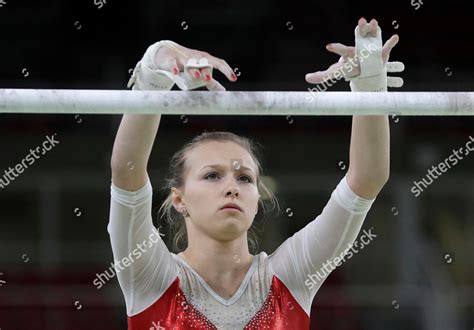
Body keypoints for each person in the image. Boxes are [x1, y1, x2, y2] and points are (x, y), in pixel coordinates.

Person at [109, 17, 400, 329]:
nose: (232, 187)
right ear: (178, 198)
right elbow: (127, 172)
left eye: (244, 178)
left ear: (257, 198)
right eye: (212, 175)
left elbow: (366, 180)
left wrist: (370, 88)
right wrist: (155, 68)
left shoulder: (290, 277)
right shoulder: (151, 277)